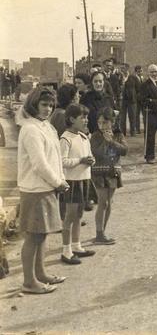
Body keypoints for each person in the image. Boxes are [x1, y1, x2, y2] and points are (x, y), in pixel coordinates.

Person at [16, 87, 69, 294]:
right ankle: (29, 281)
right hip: (35, 188)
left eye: (51, 105)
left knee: (42, 233)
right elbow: (39, 164)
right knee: (33, 236)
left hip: (47, 186)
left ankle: (41, 273)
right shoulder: (30, 129)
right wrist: (58, 182)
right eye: (44, 105)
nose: (48, 109)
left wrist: (60, 178)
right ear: (34, 104)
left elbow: (55, 158)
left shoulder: (46, 126)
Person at [59, 104, 96, 264]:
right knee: (70, 216)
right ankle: (66, 250)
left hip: (83, 179)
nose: (86, 120)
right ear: (72, 119)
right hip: (72, 181)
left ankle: (76, 245)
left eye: (87, 117)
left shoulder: (83, 136)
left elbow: (89, 155)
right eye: (83, 118)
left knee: (79, 214)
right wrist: (80, 161)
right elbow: (62, 161)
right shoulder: (65, 138)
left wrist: (91, 160)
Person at [91, 107, 128, 245]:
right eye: (100, 123)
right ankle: (99, 234)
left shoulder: (118, 135)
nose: (102, 126)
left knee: (110, 203)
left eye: (105, 122)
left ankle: (102, 231)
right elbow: (96, 153)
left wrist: (112, 141)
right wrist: (106, 141)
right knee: (103, 202)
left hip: (113, 172)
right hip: (99, 172)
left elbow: (124, 150)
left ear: (112, 122)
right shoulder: (95, 136)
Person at [121, 65, 138, 136]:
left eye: (124, 68)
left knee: (132, 116)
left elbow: (138, 88)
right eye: (121, 68)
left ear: (128, 69)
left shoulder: (133, 77)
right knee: (122, 117)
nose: (123, 70)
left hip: (132, 100)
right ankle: (122, 132)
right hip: (122, 100)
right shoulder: (119, 77)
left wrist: (134, 96)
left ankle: (132, 132)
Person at [133, 66, 144, 134]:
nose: (140, 72)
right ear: (136, 71)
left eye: (141, 71)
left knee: (144, 113)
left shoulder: (142, 78)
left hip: (142, 99)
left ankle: (144, 128)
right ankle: (137, 128)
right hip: (137, 99)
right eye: (138, 71)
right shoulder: (134, 78)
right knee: (137, 114)